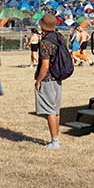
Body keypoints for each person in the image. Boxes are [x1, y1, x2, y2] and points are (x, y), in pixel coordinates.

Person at [34, 13, 64, 149]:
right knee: (56, 110)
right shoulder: (59, 37)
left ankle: (54, 141)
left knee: (50, 110)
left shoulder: (45, 43)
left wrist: (38, 80)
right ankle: (56, 137)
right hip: (57, 78)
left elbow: (45, 65)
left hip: (48, 79)